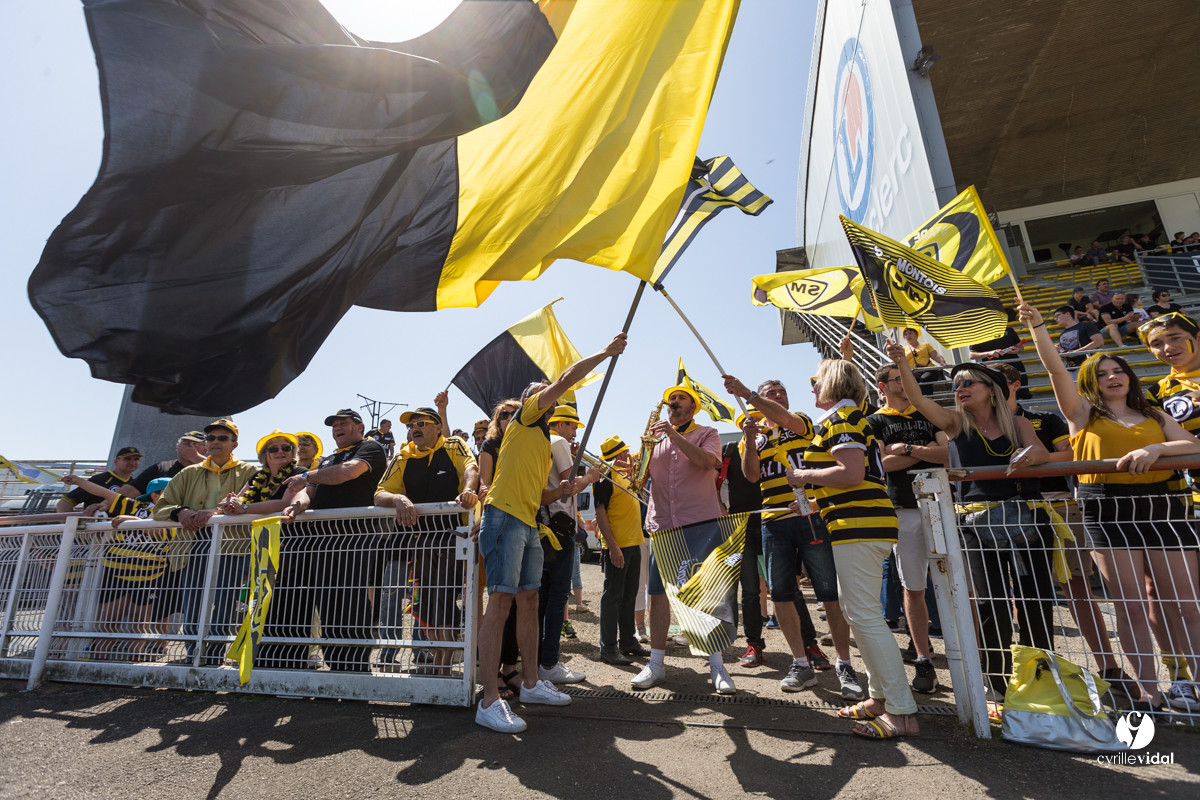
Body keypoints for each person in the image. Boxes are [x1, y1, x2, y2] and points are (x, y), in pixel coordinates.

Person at [1023, 304, 1200, 711]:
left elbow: (1193, 447)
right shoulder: (1081, 414)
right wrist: (1038, 327)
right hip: (1107, 510)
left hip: (1162, 508)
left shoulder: (1153, 413)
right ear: (1090, 382)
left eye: (1118, 371)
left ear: (1130, 376)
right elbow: (1055, 370)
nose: (1112, 377)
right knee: (1131, 607)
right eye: (1101, 374)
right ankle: (1149, 693)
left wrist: (1156, 448)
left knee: (1187, 604)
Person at [884, 341, 1054, 709]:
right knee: (991, 602)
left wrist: (1029, 454)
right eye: (956, 384)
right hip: (975, 526)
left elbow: (1041, 451)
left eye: (968, 383)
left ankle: (1041, 680)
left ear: (991, 390)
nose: (959, 389)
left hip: (1025, 520)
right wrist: (902, 363)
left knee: (1034, 600)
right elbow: (919, 400)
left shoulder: (1019, 423)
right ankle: (999, 684)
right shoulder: (955, 423)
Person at [474, 333, 626, 733]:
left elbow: (540, 493)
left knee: (530, 600)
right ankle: (488, 700)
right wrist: (605, 352)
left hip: (528, 521)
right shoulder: (525, 417)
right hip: (504, 518)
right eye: (542, 390)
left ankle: (531, 683)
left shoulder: (542, 441)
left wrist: (565, 489)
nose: (549, 394)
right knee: (501, 602)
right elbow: (564, 380)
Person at [784, 359, 915, 739]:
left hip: (860, 526)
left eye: (816, 380)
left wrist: (804, 475)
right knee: (861, 615)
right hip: (856, 523)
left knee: (865, 617)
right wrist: (816, 500)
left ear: (833, 383)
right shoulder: (849, 418)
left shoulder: (841, 420)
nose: (812, 386)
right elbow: (858, 477)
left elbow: (852, 473)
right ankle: (880, 698)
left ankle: (902, 711)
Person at [993, 362, 1125, 684]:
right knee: (1019, 592)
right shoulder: (981, 427)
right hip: (1007, 512)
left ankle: (1108, 666)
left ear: (1015, 385)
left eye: (998, 381)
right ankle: (1033, 668)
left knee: (1078, 589)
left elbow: (1071, 455)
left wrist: (1031, 460)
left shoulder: (1045, 419)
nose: (991, 387)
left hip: (1059, 507)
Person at [722, 376, 853, 697]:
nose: (779, 396)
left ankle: (845, 664)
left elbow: (785, 418)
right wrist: (748, 439)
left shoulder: (802, 422)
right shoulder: (754, 435)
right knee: (780, 594)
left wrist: (747, 393)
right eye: (772, 393)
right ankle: (800, 663)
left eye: (782, 392)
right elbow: (752, 475)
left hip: (810, 517)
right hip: (773, 521)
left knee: (828, 594)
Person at [629, 384, 733, 695]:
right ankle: (656, 663)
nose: (673, 402)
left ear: (693, 407)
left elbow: (708, 462)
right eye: (670, 399)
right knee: (658, 594)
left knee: (704, 594)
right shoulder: (654, 438)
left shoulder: (707, 433)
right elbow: (641, 479)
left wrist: (673, 435)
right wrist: (634, 469)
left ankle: (716, 665)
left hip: (699, 523)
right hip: (663, 525)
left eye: (680, 398)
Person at [272, 409, 389, 672]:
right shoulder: (328, 460)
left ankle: (351, 668)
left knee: (347, 604)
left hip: (353, 539)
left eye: (343, 423)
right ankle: (303, 666)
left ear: (359, 427)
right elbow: (309, 492)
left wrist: (306, 476)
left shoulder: (370, 448)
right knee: (314, 602)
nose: (337, 428)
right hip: (319, 541)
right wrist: (296, 506)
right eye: (334, 425)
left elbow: (349, 471)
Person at [374, 406, 478, 675]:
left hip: (452, 538)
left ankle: (445, 660)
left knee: (445, 597)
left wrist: (468, 490)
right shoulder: (403, 455)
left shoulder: (454, 445)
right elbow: (380, 493)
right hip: (419, 543)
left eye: (421, 423)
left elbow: (471, 468)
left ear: (438, 427)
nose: (414, 429)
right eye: (411, 425)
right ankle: (439, 656)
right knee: (426, 601)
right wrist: (399, 498)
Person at [866, 363, 949, 695]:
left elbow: (947, 454)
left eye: (908, 377)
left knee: (956, 583)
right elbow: (883, 464)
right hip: (904, 508)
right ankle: (924, 659)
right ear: (883, 386)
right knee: (913, 586)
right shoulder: (875, 421)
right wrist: (927, 453)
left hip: (942, 504)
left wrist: (909, 450)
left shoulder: (928, 412)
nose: (905, 383)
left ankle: (975, 658)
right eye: (898, 379)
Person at [152, 420, 258, 663]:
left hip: (233, 546)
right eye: (210, 438)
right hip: (194, 543)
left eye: (222, 438)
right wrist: (181, 512)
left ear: (235, 444)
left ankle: (216, 656)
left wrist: (216, 512)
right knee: (194, 601)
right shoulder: (188, 472)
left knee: (224, 602)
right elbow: (161, 507)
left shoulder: (251, 471)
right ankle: (194, 655)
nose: (215, 442)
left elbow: (254, 503)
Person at [59, 476, 174, 660]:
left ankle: (135, 656)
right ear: (154, 495)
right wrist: (78, 481)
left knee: (140, 620)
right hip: (115, 571)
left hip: (148, 575)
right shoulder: (135, 506)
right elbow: (104, 492)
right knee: (109, 617)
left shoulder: (174, 513)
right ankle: (101, 657)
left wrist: (132, 520)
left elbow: (158, 532)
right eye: (172, 491)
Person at [535, 404, 600, 684]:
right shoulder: (558, 441)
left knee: (542, 596)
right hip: (559, 528)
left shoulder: (539, 440)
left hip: (542, 525)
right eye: (572, 426)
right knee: (557, 595)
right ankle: (549, 662)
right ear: (560, 424)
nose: (574, 433)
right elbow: (569, 486)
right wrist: (590, 477)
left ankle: (539, 659)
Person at [477, 398, 523, 701]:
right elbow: (484, 486)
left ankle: (509, 667)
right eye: (503, 414)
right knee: (498, 602)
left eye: (515, 414)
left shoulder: (526, 445)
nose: (508, 418)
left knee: (519, 603)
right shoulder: (490, 446)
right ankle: (490, 675)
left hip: (524, 522)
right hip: (497, 522)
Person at [594, 435, 650, 666]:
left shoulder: (626, 474)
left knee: (629, 595)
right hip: (619, 545)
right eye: (624, 451)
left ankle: (628, 641)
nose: (628, 454)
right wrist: (613, 547)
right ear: (617, 455)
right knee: (613, 597)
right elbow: (600, 513)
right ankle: (608, 647)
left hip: (634, 542)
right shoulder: (605, 476)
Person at [56, 447, 144, 513]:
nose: (132, 462)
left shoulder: (135, 483)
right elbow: (64, 503)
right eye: (127, 459)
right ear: (116, 461)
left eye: (136, 459)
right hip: (97, 529)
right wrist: (71, 528)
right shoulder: (100, 479)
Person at [967, 309, 1029, 397]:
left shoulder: (1009, 330)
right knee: (998, 394)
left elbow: (1020, 347)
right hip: (993, 369)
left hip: (1014, 366)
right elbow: (971, 355)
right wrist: (989, 353)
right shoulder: (978, 334)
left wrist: (1018, 350)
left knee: (1020, 391)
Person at [131, 431, 206, 493]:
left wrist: (195, 457)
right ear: (177, 446)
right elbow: (129, 491)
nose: (188, 447)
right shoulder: (161, 468)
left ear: (205, 449)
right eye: (184, 443)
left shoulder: (208, 471)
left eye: (195, 444)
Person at [901, 327, 947, 394]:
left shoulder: (926, 345)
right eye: (905, 334)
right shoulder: (903, 349)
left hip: (928, 370)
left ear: (916, 334)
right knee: (911, 383)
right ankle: (922, 399)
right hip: (913, 372)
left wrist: (942, 362)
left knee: (924, 379)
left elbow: (935, 355)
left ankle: (928, 398)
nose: (908, 336)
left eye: (910, 333)